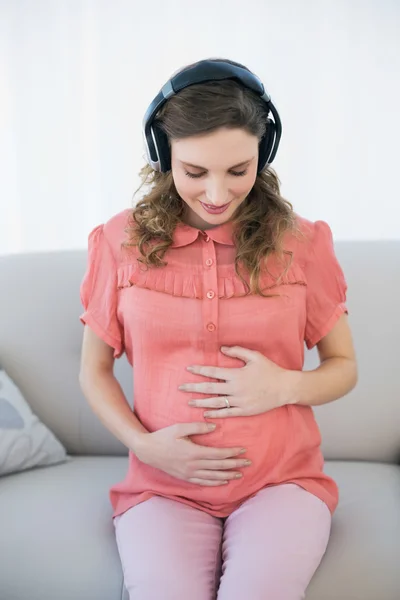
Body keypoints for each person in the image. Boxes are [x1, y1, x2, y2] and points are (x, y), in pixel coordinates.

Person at [79, 58, 358, 600]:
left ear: (264, 153)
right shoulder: (117, 243)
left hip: (282, 483)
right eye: (194, 171)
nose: (215, 193)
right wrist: (145, 445)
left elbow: (344, 368)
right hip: (162, 489)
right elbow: (93, 371)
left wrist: (286, 385)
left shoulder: (304, 243)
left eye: (238, 169)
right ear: (163, 156)